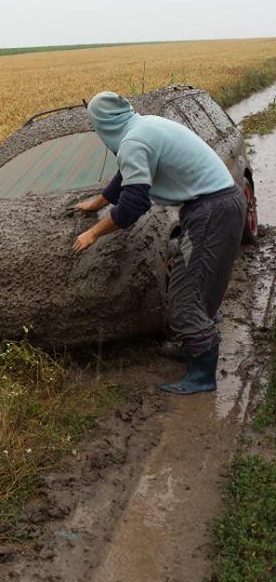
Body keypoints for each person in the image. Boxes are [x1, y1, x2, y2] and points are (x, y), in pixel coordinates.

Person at [73, 91, 246, 394]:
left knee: (185, 294)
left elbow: (133, 204)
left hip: (210, 213)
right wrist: (98, 201)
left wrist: (93, 233)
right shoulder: (143, 126)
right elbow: (126, 176)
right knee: (193, 279)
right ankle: (194, 345)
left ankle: (202, 374)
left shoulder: (133, 142)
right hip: (216, 205)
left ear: (102, 124)